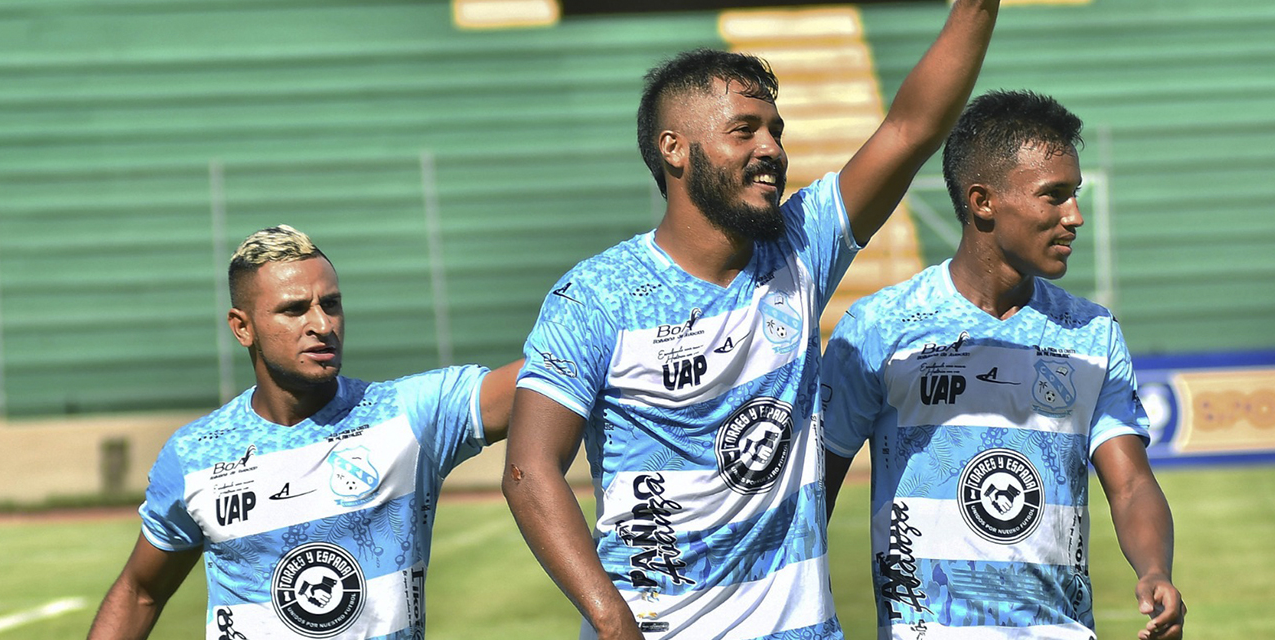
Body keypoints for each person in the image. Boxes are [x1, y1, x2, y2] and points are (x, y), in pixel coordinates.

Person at [500, 2, 1000, 639]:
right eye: (745, 130)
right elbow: (530, 468)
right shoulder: (595, 297)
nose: (771, 148)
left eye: (776, 130)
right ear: (674, 149)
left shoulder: (798, 250)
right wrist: (608, 616)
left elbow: (911, 129)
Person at [821, 90, 1185, 640]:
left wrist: (1155, 570)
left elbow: (1131, 484)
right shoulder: (881, 326)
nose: (1075, 216)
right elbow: (814, 489)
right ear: (983, 202)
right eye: (1053, 196)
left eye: (1075, 194)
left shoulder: (1092, 333)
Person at [88, 224, 521, 639]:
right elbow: (140, 592)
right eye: (294, 309)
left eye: (330, 304)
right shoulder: (195, 456)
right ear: (243, 327)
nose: (322, 324)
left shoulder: (408, 416)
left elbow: (546, 378)